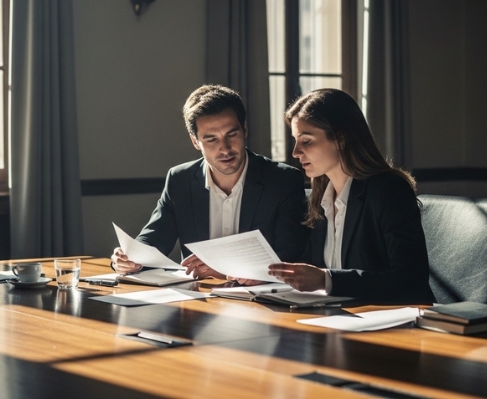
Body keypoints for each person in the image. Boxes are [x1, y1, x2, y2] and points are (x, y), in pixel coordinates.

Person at [111, 84, 309, 279]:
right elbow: (155, 238)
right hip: (198, 301)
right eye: (211, 139)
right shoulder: (180, 180)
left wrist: (228, 270)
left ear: (245, 129)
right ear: (195, 141)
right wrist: (128, 258)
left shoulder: (283, 180)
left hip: (264, 301)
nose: (224, 148)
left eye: (232, 134)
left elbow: (291, 257)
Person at [268, 88, 435, 304]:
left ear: (340, 138)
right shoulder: (319, 200)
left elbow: (411, 281)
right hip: (337, 320)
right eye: (295, 140)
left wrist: (326, 280)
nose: (295, 152)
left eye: (306, 141)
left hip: (391, 324)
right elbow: (308, 269)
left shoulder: (389, 190)